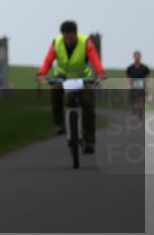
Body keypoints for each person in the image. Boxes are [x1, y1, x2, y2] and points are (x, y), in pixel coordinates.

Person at [36, 20, 107, 153]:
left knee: (88, 105)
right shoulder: (56, 42)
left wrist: (100, 72)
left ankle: (89, 142)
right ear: (62, 35)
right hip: (62, 76)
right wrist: (42, 73)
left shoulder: (85, 41)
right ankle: (59, 123)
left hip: (82, 77)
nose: (68, 40)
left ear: (75, 34)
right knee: (55, 90)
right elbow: (48, 60)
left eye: (71, 37)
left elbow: (94, 58)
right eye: (65, 37)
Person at [125, 50, 152, 121]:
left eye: (138, 56)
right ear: (133, 57)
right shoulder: (130, 68)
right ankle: (134, 111)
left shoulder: (145, 68)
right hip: (133, 89)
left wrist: (149, 84)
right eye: (136, 56)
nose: (137, 57)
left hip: (142, 89)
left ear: (140, 57)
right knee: (134, 105)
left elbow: (149, 77)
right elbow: (127, 78)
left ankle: (140, 119)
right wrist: (127, 86)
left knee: (141, 105)